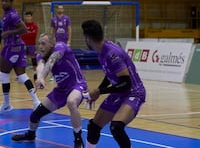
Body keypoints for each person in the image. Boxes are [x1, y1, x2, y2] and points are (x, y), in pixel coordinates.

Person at [11, 33, 87, 148]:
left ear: (52, 44)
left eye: (43, 43)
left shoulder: (60, 47)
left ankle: (78, 140)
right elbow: (40, 65)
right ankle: (31, 135)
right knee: (35, 115)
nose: (40, 46)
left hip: (77, 85)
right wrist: (40, 76)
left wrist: (42, 77)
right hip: (61, 90)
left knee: (71, 102)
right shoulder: (40, 55)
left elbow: (52, 60)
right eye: (39, 43)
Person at [81, 20, 146, 148]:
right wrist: (98, 91)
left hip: (133, 92)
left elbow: (126, 83)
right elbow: (110, 73)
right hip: (119, 92)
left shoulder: (111, 54)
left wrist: (99, 91)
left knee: (116, 127)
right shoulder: (101, 50)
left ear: (87, 38)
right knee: (93, 126)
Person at [0, 0, 40, 114]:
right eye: (2, 1)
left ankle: (6, 104)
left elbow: (23, 29)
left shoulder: (12, 14)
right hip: (19, 47)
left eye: (6, 1)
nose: (4, 3)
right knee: (21, 76)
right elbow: (10, 28)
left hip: (11, 47)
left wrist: (8, 33)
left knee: (3, 74)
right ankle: (36, 102)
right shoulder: (7, 14)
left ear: (11, 2)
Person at [20, 11, 39, 77]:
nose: (28, 18)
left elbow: (34, 35)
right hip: (23, 44)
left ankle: (35, 73)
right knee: (23, 59)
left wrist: (26, 33)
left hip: (32, 44)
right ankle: (22, 74)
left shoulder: (34, 26)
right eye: (27, 16)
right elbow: (22, 35)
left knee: (33, 58)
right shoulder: (23, 25)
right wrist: (29, 33)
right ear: (25, 17)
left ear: (31, 17)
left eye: (29, 16)